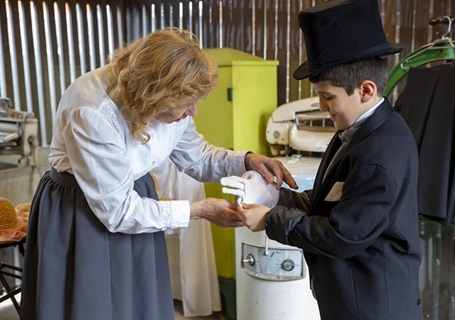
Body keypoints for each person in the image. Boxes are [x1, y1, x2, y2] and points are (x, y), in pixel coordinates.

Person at [19, 28, 296, 320]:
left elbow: (197, 157)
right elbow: (117, 211)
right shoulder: (93, 111)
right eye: (186, 104)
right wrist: (197, 211)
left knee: (137, 302)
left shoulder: (169, 104)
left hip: (135, 200)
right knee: (92, 304)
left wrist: (247, 161)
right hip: (81, 211)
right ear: (152, 93)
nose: (193, 112)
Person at [227, 0, 423, 319]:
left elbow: (343, 234)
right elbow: (330, 205)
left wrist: (269, 219)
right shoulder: (355, 130)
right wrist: (275, 195)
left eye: (327, 96)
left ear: (366, 90)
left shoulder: (381, 152)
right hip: (350, 296)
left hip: (373, 305)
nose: (321, 106)